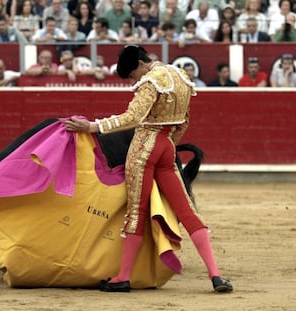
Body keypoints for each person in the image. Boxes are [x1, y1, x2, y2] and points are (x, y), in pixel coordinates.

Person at [63, 45, 233, 293]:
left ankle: (123, 277)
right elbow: (185, 120)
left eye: (133, 75)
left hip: (144, 148)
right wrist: (170, 144)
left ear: (141, 64)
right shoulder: (181, 77)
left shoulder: (151, 81)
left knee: (136, 213)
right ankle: (216, 275)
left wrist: (92, 126)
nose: (135, 80)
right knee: (187, 213)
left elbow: (132, 117)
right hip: (167, 146)